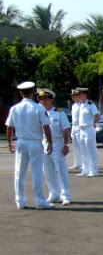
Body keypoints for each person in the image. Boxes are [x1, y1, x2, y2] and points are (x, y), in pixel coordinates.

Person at [6, 81, 54, 209]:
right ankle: (39, 201)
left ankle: (20, 201)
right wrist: (50, 142)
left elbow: (9, 127)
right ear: (33, 93)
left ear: (21, 93)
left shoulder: (14, 108)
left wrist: (9, 142)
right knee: (36, 172)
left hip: (21, 141)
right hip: (35, 142)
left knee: (19, 172)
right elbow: (46, 127)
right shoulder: (38, 108)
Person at [37, 88, 72, 205]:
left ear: (51, 100)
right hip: (44, 143)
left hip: (57, 142)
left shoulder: (59, 112)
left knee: (61, 170)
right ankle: (53, 193)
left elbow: (65, 129)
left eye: (45, 99)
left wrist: (66, 144)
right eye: (40, 99)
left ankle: (65, 195)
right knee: (47, 170)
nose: (43, 101)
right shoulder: (39, 113)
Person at [76, 87, 100, 177]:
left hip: (89, 129)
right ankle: (85, 169)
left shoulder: (90, 105)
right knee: (83, 150)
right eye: (78, 94)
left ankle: (93, 170)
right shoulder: (80, 105)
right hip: (81, 129)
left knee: (91, 150)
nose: (79, 96)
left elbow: (97, 116)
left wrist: (92, 123)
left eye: (80, 94)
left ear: (85, 95)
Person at [69, 89, 82, 170]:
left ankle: (84, 163)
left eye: (75, 96)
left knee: (82, 146)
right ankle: (77, 162)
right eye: (72, 96)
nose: (73, 97)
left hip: (79, 126)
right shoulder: (73, 106)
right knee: (75, 146)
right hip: (73, 126)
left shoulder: (81, 105)